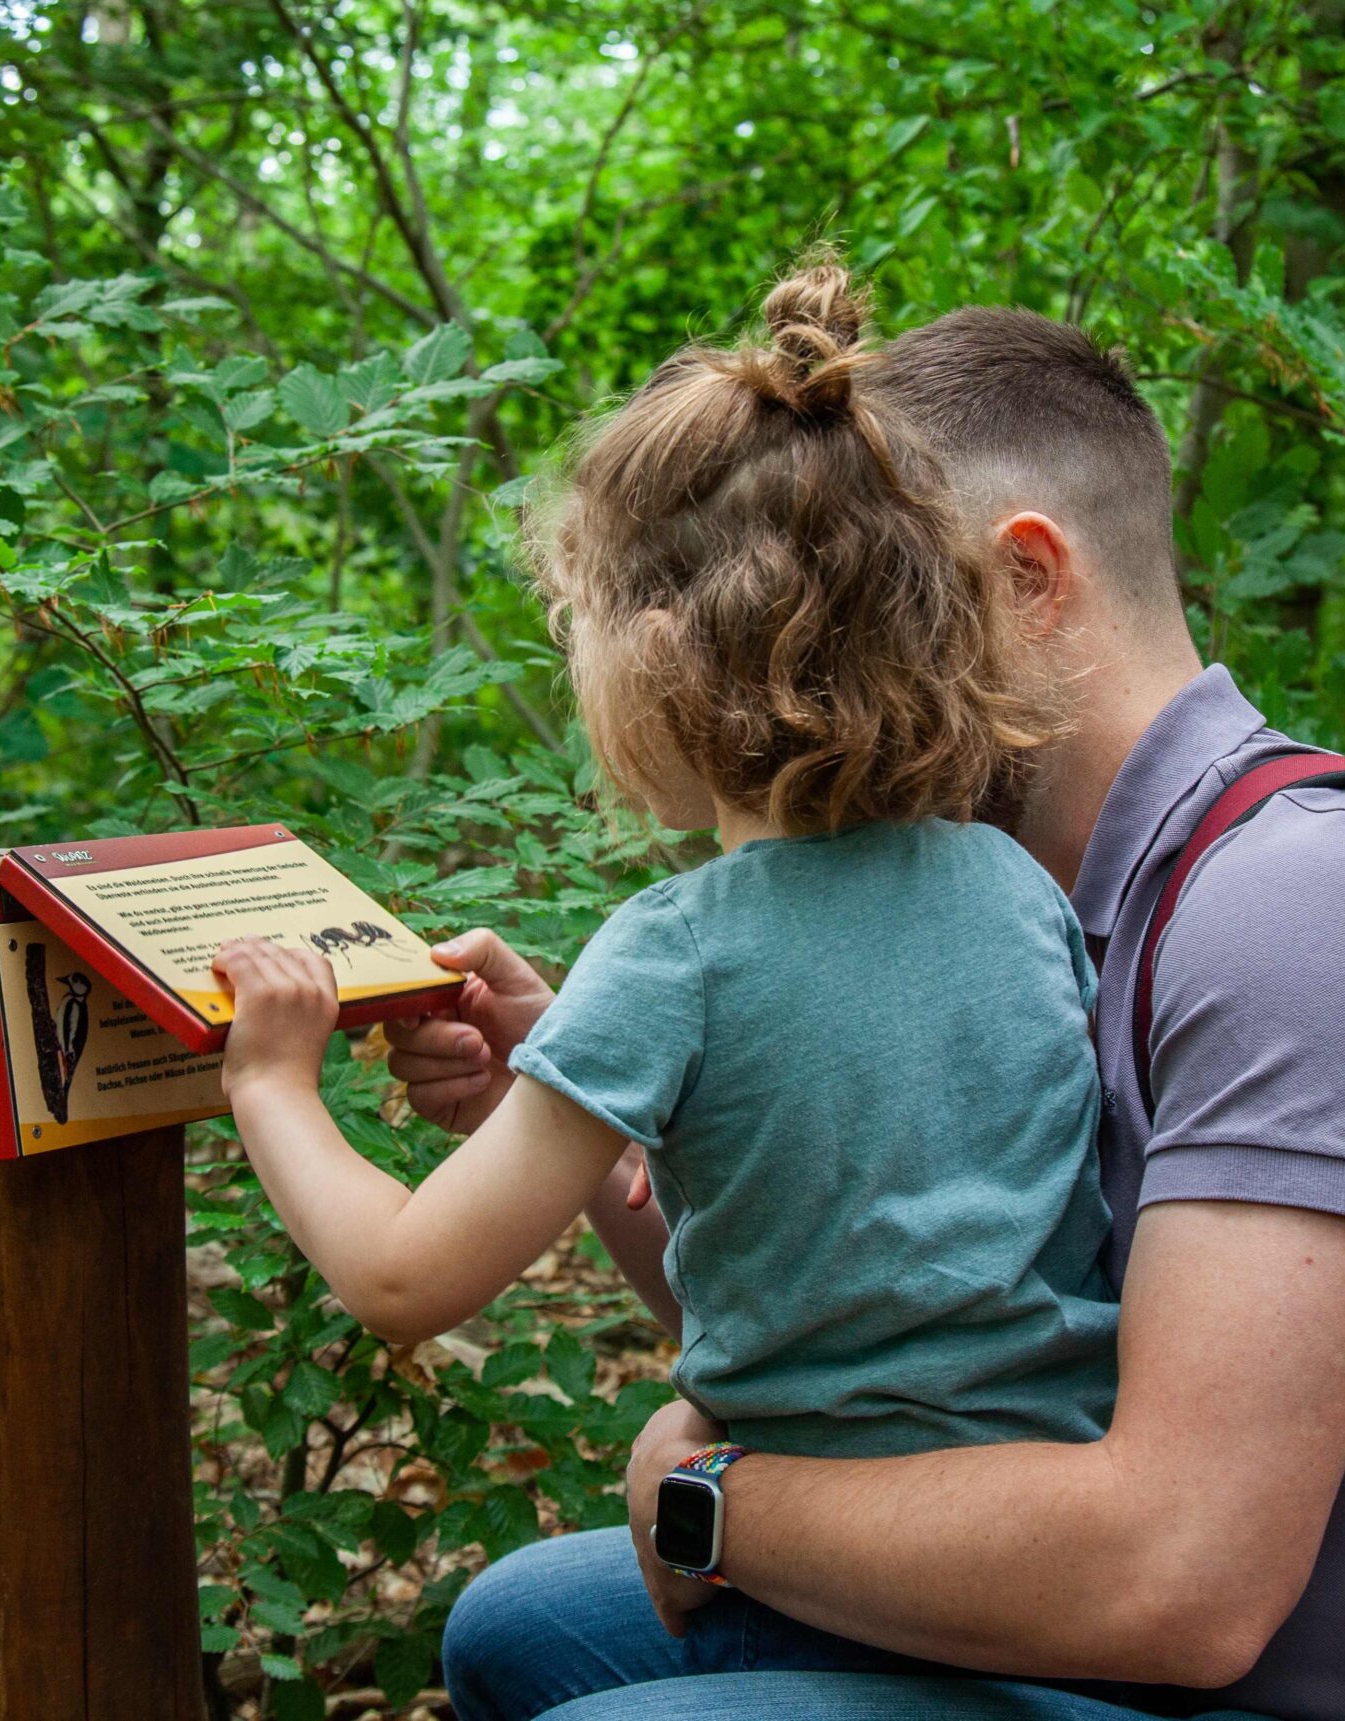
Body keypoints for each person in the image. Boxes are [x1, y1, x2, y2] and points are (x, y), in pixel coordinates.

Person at [401, 297, 1345, 1720]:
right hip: (1149, 1659)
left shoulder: (1301, 914)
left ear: (1025, 579)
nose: (807, 668)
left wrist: (709, 1501)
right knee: (518, 1630)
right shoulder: (1039, 898)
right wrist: (619, 1099)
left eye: (877, 599)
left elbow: (1178, 1584)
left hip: (1321, 1686)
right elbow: (856, 1326)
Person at [214, 270, 1130, 1548]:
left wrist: (271, 1080)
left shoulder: (677, 949)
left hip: (825, 1560)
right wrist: (570, 1049)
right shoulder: (1012, 884)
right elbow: (833, 1220)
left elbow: (403, 1276)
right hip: (1036, 1531)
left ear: (651, 660)